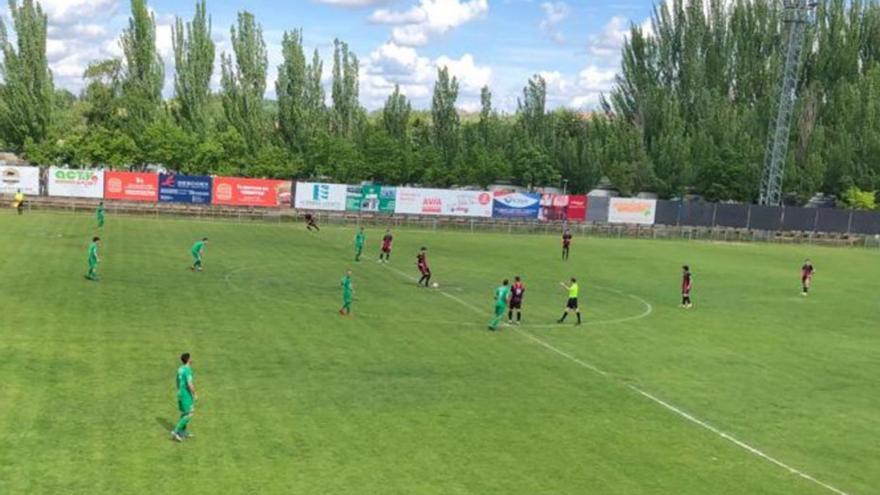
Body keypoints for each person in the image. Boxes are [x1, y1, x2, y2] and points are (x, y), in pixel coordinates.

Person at [171, 352, 197, 442]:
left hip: (180, 393)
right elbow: (190, 384)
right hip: (186, 394)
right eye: (191, 358)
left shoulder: (180, 369)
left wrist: (179, 391)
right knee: (190, 413)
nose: (192, 359)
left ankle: (182, 431)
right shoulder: (187, 370)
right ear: (188, 360)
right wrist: (194, 393)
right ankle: (175, 432)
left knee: (184, 413)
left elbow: (177, 381)